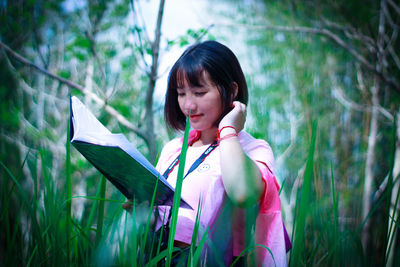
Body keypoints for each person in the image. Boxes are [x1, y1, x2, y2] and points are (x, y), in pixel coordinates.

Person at [124, 40, 290, 266]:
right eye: (181, 93)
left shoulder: (253, 149)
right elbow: (157, 224)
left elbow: (243, 193)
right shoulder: (173, 150)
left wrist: (229, 130)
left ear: (231, 90)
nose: (188, 104)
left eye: (199, 92)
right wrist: (143, 213)